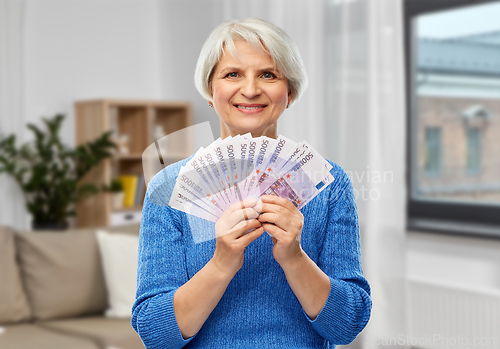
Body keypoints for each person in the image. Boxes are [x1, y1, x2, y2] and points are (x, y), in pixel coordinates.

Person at [131, 18, 371, 349]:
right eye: (232, 74)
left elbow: (347, 326)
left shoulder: (328, 183)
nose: (250, 89)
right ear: (210, 91)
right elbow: (156, 335)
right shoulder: (168, 188)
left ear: (290, 93)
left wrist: (294, 258)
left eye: (268, 75)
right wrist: (221, 263)